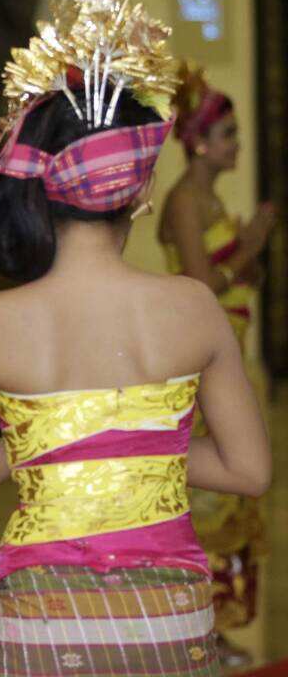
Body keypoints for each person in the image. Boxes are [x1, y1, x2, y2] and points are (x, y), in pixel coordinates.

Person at [0, 0, 270, 675]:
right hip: (168, 618)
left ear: (45, 190)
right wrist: (131, 450)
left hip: (42, 619)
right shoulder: (193, 307)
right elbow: (250, 469)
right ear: (138, 196)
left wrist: (55, 453)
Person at [158, 61, 275, 665]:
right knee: (207, 496)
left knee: (235, 501)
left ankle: (222, 626)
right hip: (204, 361)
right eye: (229, 135)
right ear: (200, 142)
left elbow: (238, 279)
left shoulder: (211, 199)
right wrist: (253, 241)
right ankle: (195, 624)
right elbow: (203, 284)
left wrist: (250, 253)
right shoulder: (183, 200)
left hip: (231, 349)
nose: (237, 146)